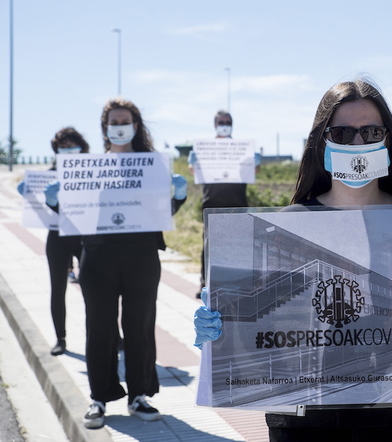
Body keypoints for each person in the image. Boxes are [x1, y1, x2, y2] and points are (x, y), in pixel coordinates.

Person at [194, 78, 392, 442]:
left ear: (387, 139)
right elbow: (253, 327)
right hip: (307, 421)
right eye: (342, 133)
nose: (358, 143)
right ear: (322, 141)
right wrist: (216, 331)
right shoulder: (283, 224)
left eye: (370, 131)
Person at [44, 98, 188, 429]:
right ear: (105, 127)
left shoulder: (151, 166)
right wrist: (54, 204)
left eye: (125, 120)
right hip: (97, 257)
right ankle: (99, 397)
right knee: (100, 327)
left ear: (136, 126)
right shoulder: (90, 167)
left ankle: (140, 394)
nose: (119, 126)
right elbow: (75, 218)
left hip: (141, 256)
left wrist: (177, 197)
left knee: (139, 326)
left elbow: (160, 216)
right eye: (113, 121)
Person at [17, 127, 89, 356]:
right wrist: (28, 194)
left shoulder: (92, 172)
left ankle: (110, 335)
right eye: (62, 148)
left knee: (96, 290)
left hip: (85, 236)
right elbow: (37, 206)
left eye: (71, 147)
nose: (67, 152)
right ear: (56, 151)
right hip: (57, 237)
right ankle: (61, 338)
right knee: (57, 289)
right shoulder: (46, 177)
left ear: (82, 148)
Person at [188, 110, 250, 298]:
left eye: (227, 121)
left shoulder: (241, 148)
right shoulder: (206, 149)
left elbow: (253, 171)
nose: (224, 124)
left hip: (237, 204)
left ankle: (240, 282)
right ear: (215, 124)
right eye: (221, 121)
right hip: (212, 204)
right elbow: (193, 171)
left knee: (240, 246)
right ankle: (205, 284)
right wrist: (193, 164)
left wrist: (253, 163)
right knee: (209, 246)